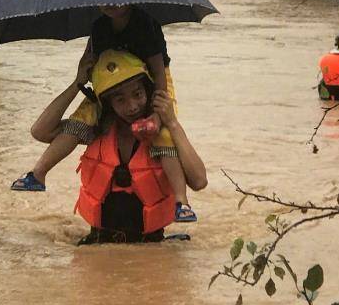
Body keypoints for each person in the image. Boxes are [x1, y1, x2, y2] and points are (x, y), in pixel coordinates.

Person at [12, 4, 198, 223]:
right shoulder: (98, 27)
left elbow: (158, 72)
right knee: (79, 121)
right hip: (110, 82)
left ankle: (181, 202)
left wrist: (160, 117)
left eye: (118, 0)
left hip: (150, 82)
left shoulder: (145, 24)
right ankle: (38, 173)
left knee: (163, 134)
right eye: (104, 2)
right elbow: (41, 130)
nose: (111, 6)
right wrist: (77, 82)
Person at [19, 50, 208, 244]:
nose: (132, 106)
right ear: (108, 103)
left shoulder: (161, 135)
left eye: (138, 94)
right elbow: (40, 131)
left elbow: (199, 181)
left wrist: (173, 123)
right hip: (99, 243)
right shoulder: (97, 130)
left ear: (148, 92)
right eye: (120, 100)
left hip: (151, 247)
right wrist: (77, 84)